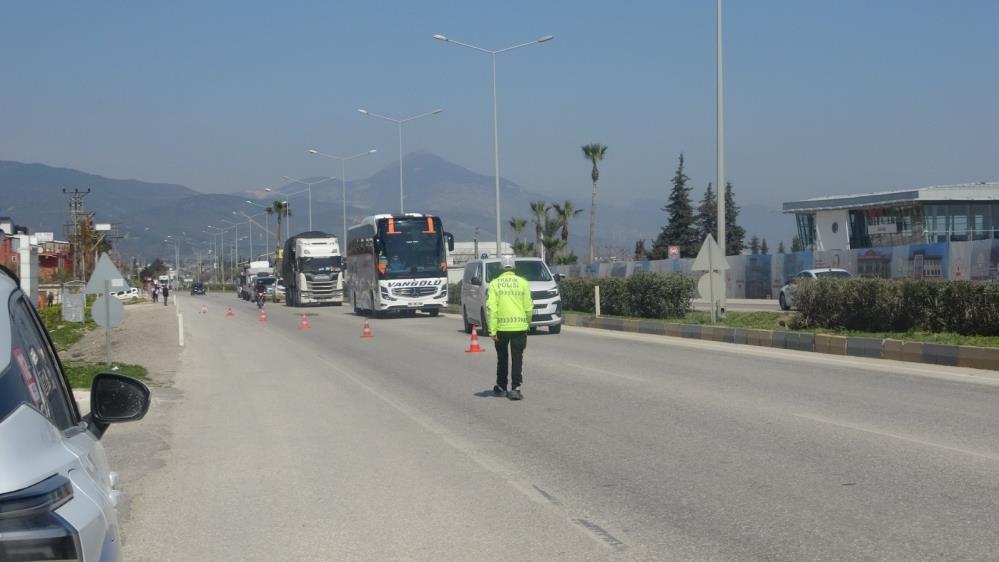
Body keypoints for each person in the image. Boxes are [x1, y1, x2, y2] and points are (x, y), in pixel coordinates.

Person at [486, 255, 533, 401]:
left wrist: (492, 330)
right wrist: (527, 324)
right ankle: (515, 389)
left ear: (501, 268)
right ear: (514, 268)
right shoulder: (523, 283)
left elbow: (491, 309)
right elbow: (529, 307)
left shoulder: (494, 284)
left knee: (502, 358)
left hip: (501, 328)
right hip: (519, 327)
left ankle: (501, 387)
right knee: (517, 357)